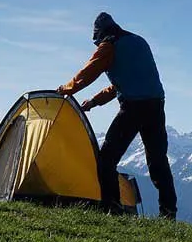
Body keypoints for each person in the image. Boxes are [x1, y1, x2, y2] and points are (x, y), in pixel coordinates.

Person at [58, 12, 178, 219]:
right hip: (156, 106)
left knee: (106, 159)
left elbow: (87, 73)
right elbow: (124, 82)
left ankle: (112, 208)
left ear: (101, 35)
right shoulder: (139, 42)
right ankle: (168, 212)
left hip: (133, 107)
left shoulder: (109, 46)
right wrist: (95, 101)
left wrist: (65, 90)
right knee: (158, 160)